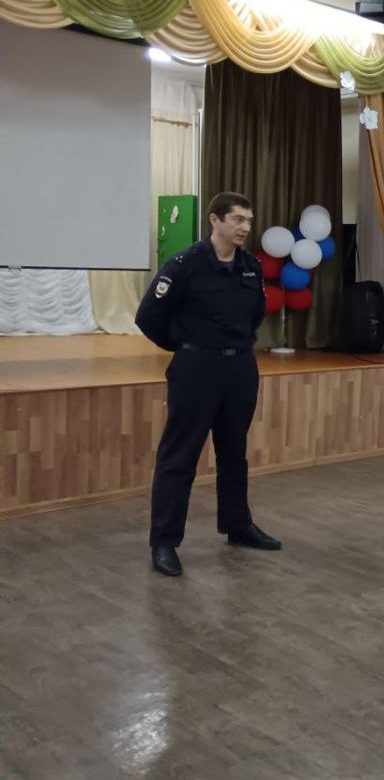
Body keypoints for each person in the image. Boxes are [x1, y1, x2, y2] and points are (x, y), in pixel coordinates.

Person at [136, 191, 281, 577]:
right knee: (180, 455)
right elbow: (148, 316)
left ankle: (238, 526)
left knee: (234, 451)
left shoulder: (250, 266)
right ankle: (164, 541)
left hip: (240, 369)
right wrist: (186, 347)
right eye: (238, 219)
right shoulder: (185, 264)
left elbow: (255, 316)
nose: (245, 227)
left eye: (248, 221)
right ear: (215, 220)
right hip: (196, 369)